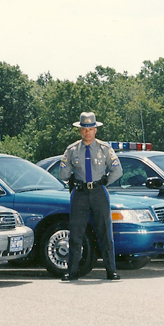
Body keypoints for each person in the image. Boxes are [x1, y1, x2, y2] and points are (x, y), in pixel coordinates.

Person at [58, 112, 123, 281]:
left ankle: (111, 271)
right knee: (76, 233)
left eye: (90, 129)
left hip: (98, 192)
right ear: (80, 131)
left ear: (95, 130)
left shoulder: (105, 148)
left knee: (105, 232)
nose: (87, 132)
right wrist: (69, 175)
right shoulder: (72, 150)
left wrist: (105, 181)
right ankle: (72, 271)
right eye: (84, 129)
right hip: (80, 193)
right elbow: (63, 173)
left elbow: (118, 170)